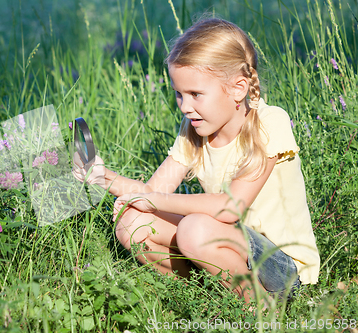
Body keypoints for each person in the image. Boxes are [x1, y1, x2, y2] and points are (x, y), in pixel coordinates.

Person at [72, 17, 320, 302]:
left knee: (194, 228)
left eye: (195, 94)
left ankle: (260, 307)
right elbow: (156, 191)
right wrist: (103, 177)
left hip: (281, 266)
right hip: (231, 247)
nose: (185, 107)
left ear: (238, 89)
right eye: (179, 94)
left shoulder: (269, 122)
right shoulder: (194, 129)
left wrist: (153, 201)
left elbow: (229, 208)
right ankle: (207, 298)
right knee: (133, 222)